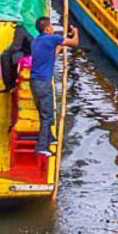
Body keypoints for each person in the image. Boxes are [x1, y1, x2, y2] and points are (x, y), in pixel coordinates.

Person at [28, 16, 79, 154]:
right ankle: (41, 147)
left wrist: (61, 45)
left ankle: (49, 138)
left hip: (33, 82)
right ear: (47, 28)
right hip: (43, 82)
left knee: (44, 113)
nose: (53, 28)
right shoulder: (52, 38)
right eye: (51, 26)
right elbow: (74, 42)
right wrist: (75, 32)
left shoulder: (35, 41)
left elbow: (52, 55)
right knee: (47, 115)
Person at [0, 23, 34, 93]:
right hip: (31, 50)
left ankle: (9, 85)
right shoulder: (29, 25)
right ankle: (12, 81)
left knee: (5, 57)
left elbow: (15, 47)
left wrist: (6, 51)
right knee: (9, 55)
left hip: (28, 54)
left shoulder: (20, 29)